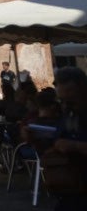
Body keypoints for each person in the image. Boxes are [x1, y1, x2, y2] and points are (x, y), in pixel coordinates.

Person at [44, 67, 87, 210]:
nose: (66, 106)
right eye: (62, 101)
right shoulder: (69, 114)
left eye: (71, 101)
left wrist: (75, 146)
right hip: (72, 190)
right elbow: (57, 141)